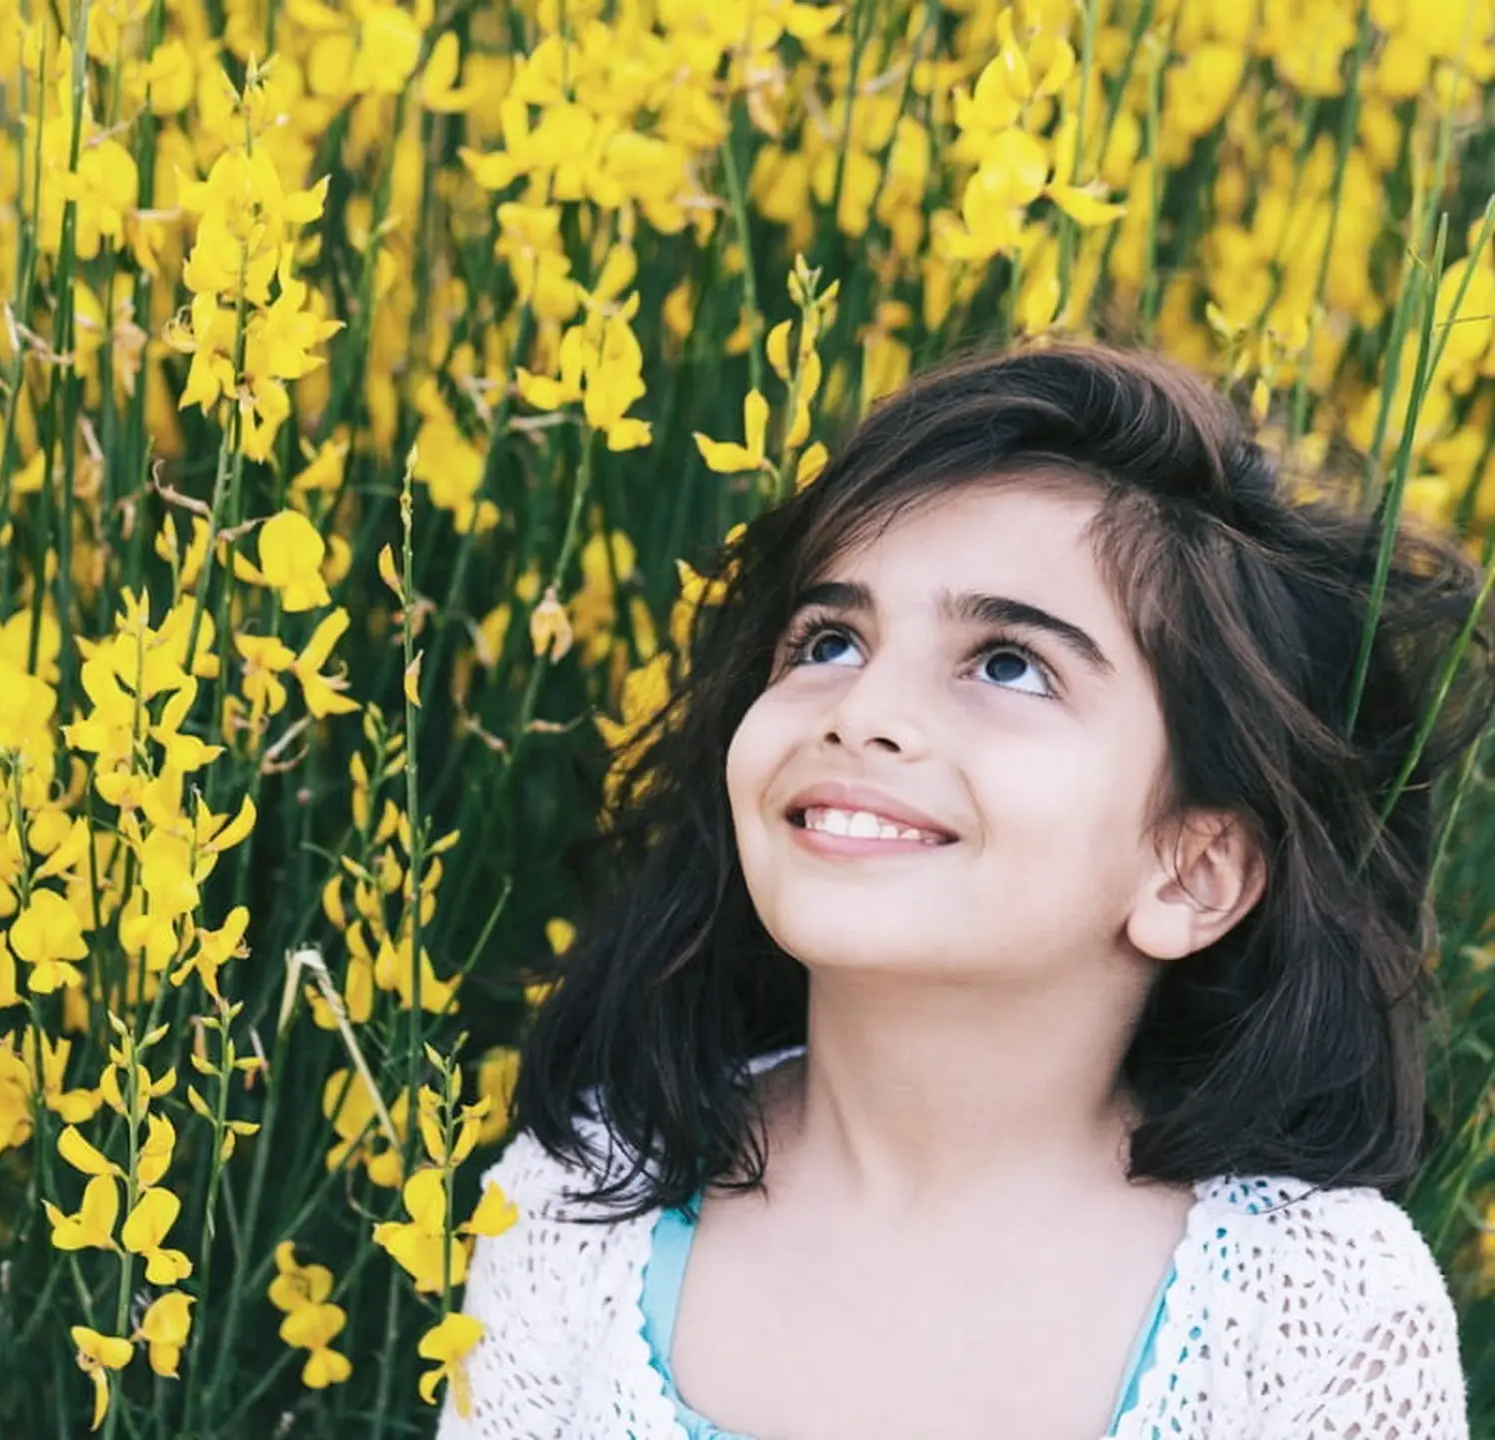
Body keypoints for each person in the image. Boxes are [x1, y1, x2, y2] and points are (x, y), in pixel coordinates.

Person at [435, 342, 1490, 1439]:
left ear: (1192, 871)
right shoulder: (584, 1199)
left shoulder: (1317, 1318)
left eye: (1007, 664)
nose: (863, 709)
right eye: (829, 640)